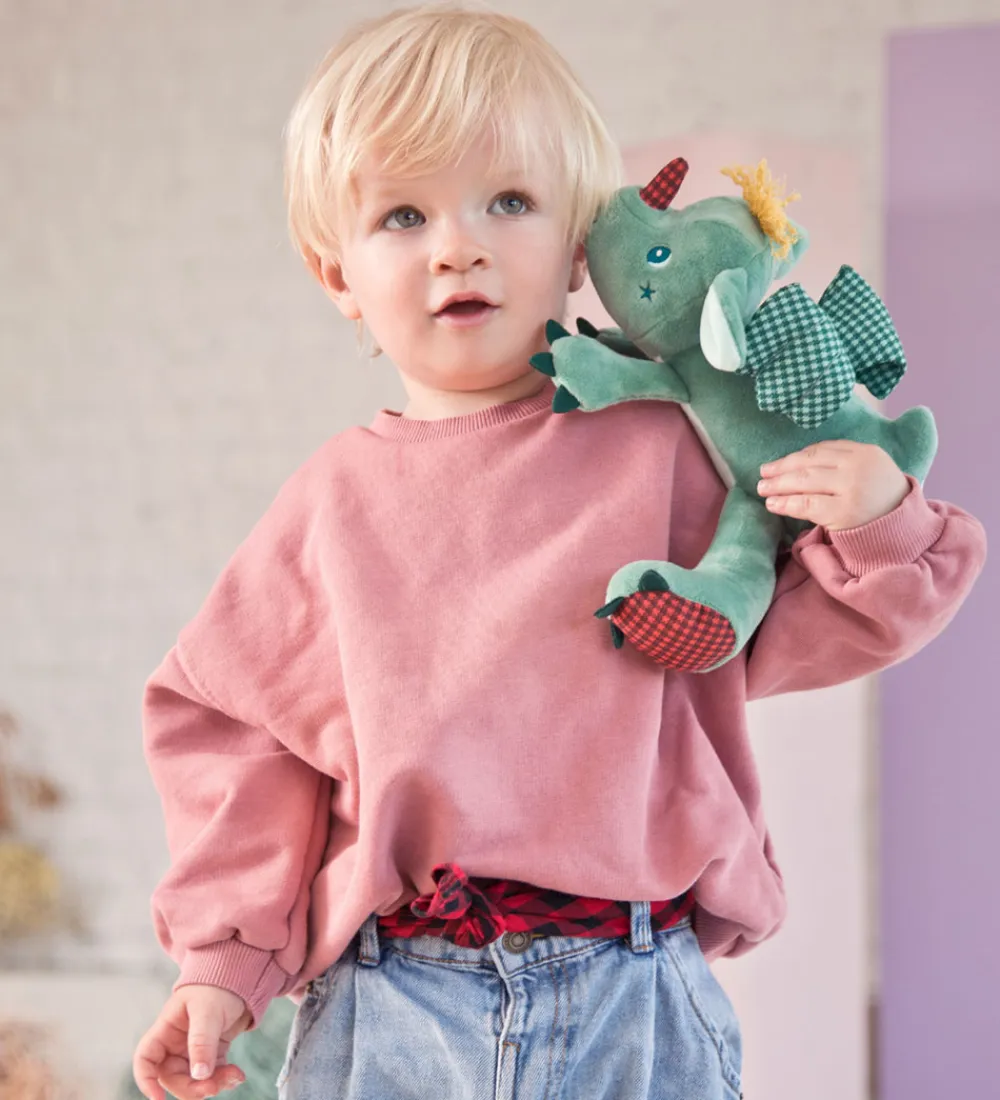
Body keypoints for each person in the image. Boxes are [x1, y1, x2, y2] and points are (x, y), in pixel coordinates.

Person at [131, 5, 987, 1100]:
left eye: (509, 201)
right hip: (395, 1000)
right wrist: (223, 959)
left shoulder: (669, 449)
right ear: (336, 273)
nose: (459, 245)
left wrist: (874, 520)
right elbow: (242, 733)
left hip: (634, 993)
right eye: (403, 214)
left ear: (580, 243)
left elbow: (827, 621)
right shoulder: (330, 507)